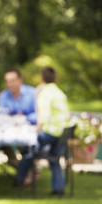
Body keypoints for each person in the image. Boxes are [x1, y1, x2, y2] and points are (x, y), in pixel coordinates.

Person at [15, 67, 70, 196]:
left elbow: (43, 116)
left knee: (30, 151)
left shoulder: (44, 93)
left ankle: (19, 179)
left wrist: (36, 131)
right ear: (55, 79)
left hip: (50, 132)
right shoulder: (60, 93)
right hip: (62, 133)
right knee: (54, 158)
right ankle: (58, 188)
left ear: (41, 79)